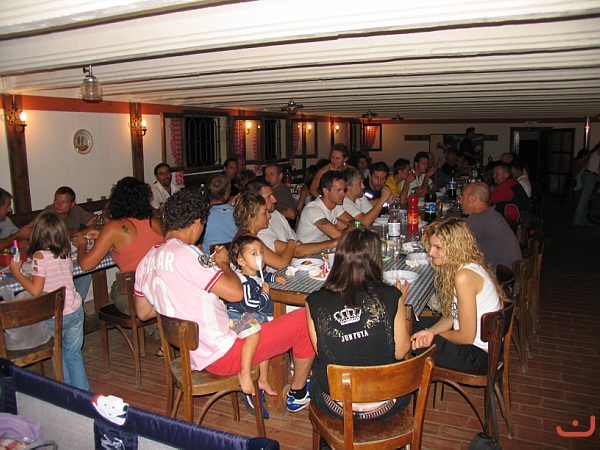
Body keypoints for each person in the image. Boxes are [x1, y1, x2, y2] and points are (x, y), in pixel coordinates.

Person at [134, 190, 315, 413]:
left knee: (254, 319)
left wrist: (176, 294)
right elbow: (236, 294)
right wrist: (223, 264)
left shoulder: (146, 261)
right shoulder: (188, 254)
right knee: (304, 318)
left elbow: (143, 312)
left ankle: (263, 382)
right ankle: (298, 393)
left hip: (191, 354)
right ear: (196, 223)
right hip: (223, 353)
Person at [306, 228, 412, 420]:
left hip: (336, 405)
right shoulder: (392, 296)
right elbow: (401, 351)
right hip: (385, 403)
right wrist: (400, 303)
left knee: (315, 369)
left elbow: (322, 352)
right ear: (376, 259)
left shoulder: (314, 300)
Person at [9, 211, 89, 390]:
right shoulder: (65, 252)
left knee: (59, 353)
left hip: (57, 313)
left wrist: (16, 272)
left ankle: (67, 392)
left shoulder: (40, 256)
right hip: (75, 309)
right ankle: (83, 393)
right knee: (73, 354)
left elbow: (35, 290)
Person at [411, 217, 503, 370]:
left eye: (438, 247)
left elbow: (466, 337)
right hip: (471, 342)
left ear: (456, 247)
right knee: (407, 324)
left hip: (477, 354)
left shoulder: (464, 276)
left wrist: (430, 334)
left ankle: (402, 380)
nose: (431, 253)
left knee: (404, 334)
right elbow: (452, 317)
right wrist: (431, 331)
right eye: (431, 246)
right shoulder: (463, 266)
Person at [74, 177, 164, 321]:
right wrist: (103, 236)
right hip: (158, 290)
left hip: (134, 296)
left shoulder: (114, 227)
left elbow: (85, 265)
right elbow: (140, 244)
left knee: (117, 287)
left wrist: (82, 244)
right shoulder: (154, 222)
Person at [226, 235, 286, 415]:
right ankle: (245, 372)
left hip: (254, 316)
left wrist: (274, 277)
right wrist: (265, 294)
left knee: (265, 344)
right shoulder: (242, 280)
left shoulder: (255, 274)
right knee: (255, 336)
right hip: (238, 317)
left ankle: (263, 380)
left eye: (261, 252)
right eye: (254, 254)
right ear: (241, 261)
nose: (260, 256)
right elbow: (249, 304)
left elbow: (263, 276)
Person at [245, 180, 338, 262]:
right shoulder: (259, 229)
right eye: (269, 196)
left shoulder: (276, 214)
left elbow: (298, 243)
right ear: (256, 201)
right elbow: (296, 251)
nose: (275, 200)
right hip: (280, 272)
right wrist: (334, 242)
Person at [43, 186, 95, 299]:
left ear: (72, 204)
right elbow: (50, 236)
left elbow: (95, 223)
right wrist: (72, 232)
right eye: (56, 200)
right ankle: (73, 303)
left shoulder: (76, 210)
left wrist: (80, 232)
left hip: (71, 253)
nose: (58, 205)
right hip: (53, 255)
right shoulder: (49, 213)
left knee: (87, 268)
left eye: (63, 202)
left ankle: (78, 302)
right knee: (83, 265)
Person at [460, 182, 521, 270]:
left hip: (500, 275)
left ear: (474, 198)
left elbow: (457, 245)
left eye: (463, 197)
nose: (460, 201)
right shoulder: (493, 213)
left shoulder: (476, 219)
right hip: (513, 271)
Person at [233, 194, 297, 270]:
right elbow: (282, 264)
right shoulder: (249, 240)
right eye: (265, 212)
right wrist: (291, 243)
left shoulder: (246, 235)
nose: (269, 216)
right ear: (251, 217)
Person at [297, 170, 355, 243]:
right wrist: (343, 229)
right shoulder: (313, 210)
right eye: (339, 190)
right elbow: (340, 237)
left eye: (344, 190)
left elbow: (356, 223)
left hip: (325, 248)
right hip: (308, 249)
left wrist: (347, 225)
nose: (343, 194)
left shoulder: (336, 206)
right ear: (326, 191)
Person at [201, 173, 238, 254]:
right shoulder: (238, 213)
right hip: (235, 257)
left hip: (209, 259)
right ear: (227, 193)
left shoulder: (202, 216)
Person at [573, 140, 600, 226]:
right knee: (584, 199)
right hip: (590, 176)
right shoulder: (598, 151)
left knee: (585, 199)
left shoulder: (595, 151)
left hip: (588, 175)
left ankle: (583, 220)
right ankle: (577, 221)